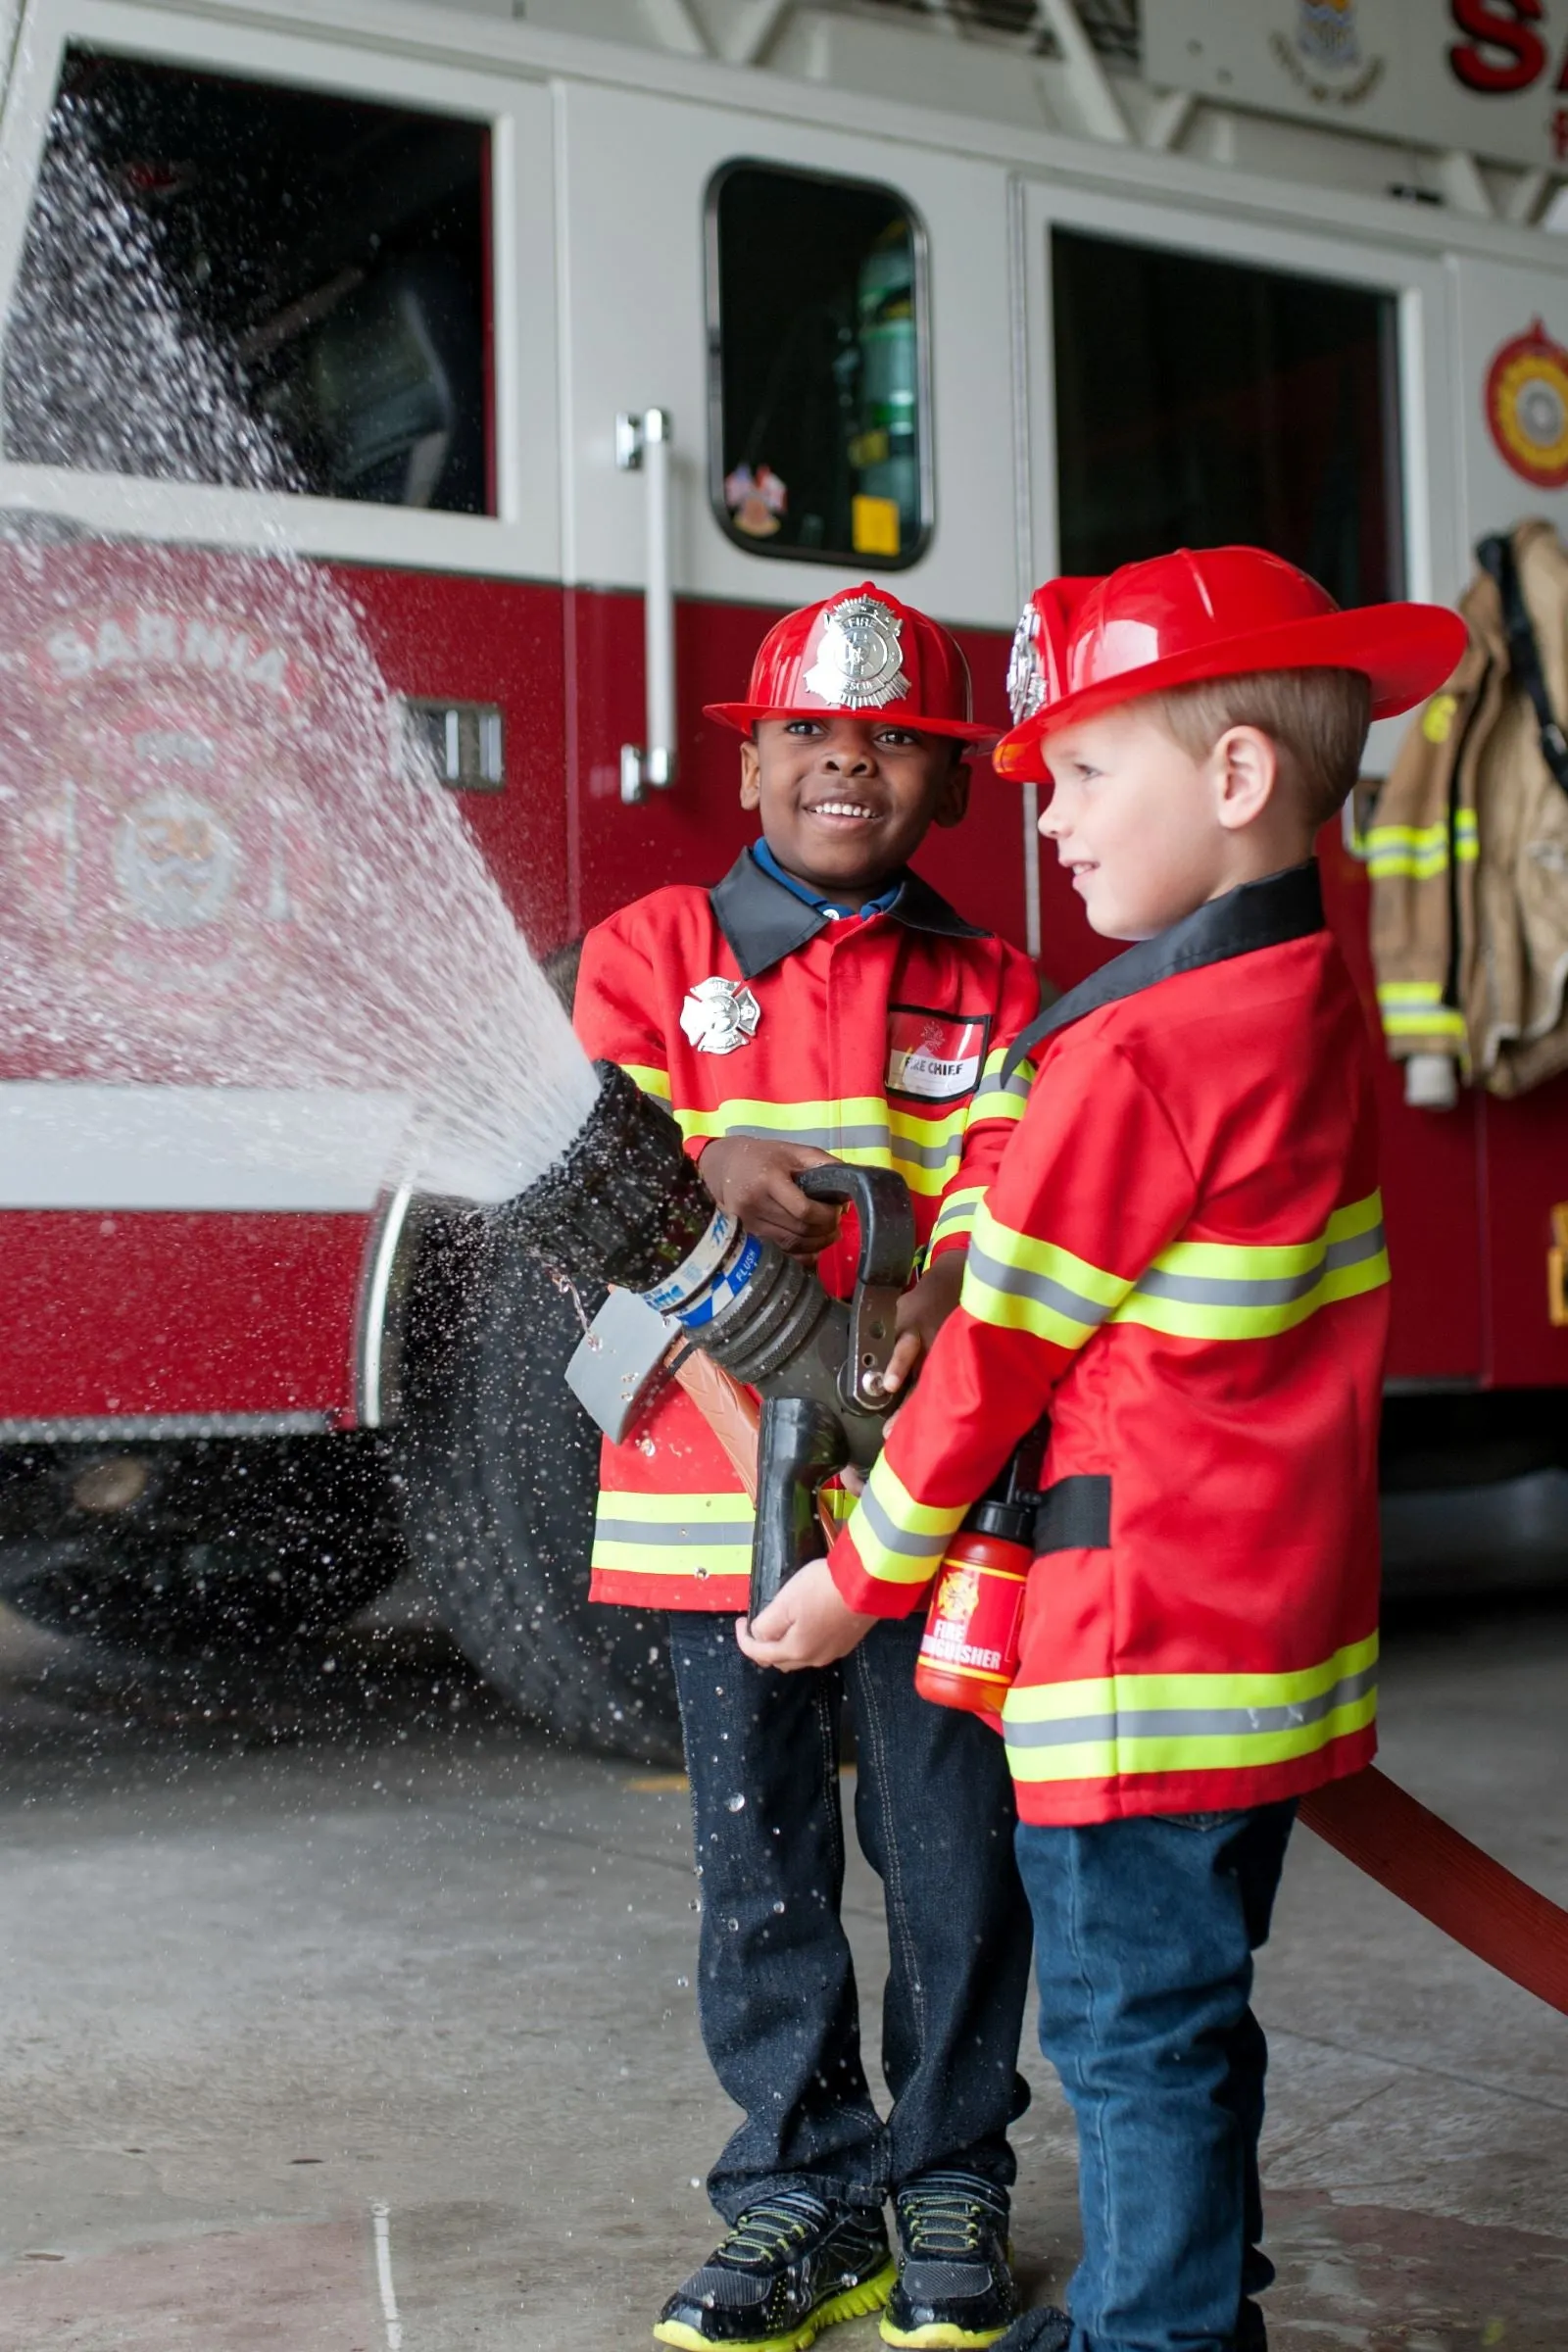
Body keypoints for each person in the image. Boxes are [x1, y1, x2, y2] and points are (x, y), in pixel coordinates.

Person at [737, 550, 1468, 2352]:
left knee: (1136, 2032)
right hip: (1274, 1635)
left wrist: (856, 1581)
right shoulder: (1302, 1007)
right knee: (1197, 2009)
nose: (1045, 821)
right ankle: (1181, 2289)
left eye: (1077, 776)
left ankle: (1159, 2333)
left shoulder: (1140, 1052)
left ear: (1233, 781)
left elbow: (989, 1375)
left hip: (1138, 1656)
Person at [573, 581, 1041, 2351]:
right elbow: (573, 1187)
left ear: (953, 783)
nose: (852, 762)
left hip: (927, 1515)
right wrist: (715, 1161)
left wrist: (931, 1278)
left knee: (949, 1852)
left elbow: (1015, 1199)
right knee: (758, 1863)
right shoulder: (651, 954)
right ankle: (797, 2191)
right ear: (752, 757)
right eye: (815, 736)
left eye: (899, 743)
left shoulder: (995, 989)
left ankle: (945, 2174)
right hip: (709, 1509)